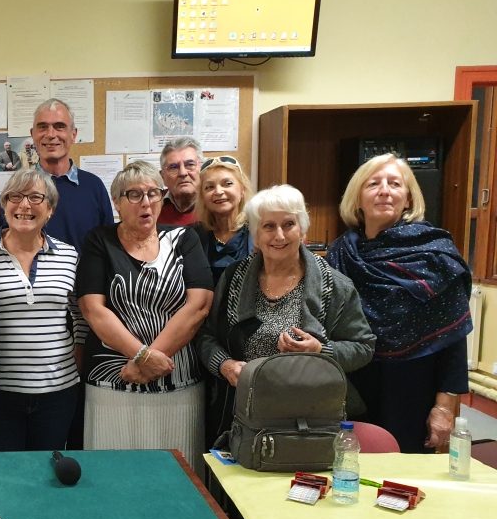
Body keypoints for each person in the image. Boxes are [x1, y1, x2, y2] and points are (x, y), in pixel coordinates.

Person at [75, 160, 213, 519]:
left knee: (177, 487)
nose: (146, 202)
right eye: (133, 194)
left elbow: (199, 304)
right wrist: (138, 356)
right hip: (113, 386)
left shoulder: (185, 238)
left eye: (153, 193)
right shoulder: (99, 240)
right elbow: (93, 309)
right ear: (117, 202)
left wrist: (154, 356)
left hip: (179, 384)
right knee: (115, 486)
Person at [197, 184, 376, 448]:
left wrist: (321, 351)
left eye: (288, 224)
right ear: (255, 235)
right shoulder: (233, 278)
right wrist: (225, 365)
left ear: (302, 229)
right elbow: (206, 337)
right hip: (241, 416)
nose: (279, 235)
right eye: (268, 226)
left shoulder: (335, 285)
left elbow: (363, 346)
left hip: (310, 420)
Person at [327, 154, 472, 453]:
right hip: (351, 386)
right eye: (373, 184)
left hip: (414, 389)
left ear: (408, 199)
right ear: (358, 198)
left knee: (403, 485)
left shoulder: (435, 253)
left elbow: (453, 337)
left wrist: (444, 407)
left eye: (395, 184)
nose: (384, 190)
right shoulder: (340, 254)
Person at [0, 168, 81, 451]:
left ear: (50, 210)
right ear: (4, 205)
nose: (24, 205)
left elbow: (81, 316)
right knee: (5, 476)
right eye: (15, 196)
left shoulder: (69, 255)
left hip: (58, 392)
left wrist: (74, 364)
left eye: (35, 197)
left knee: (47, 472)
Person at [0, 98, 113, 253]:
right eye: (43, 127)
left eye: (59, 127)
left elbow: (108, 247)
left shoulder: (93, 186)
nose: (51, 134)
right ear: (33, 135)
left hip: (84, 278)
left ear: (73, 134)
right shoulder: (17, 187)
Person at [194, 155, 253, 284]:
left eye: (227, 184)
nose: (218, 191)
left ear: (242, 189)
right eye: (209, 187)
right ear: (202, 196)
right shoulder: (192, 236)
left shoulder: (259, 231)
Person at [157, 136, 203, 227]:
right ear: (163, 177)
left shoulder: (215, 203)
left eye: (190, 164)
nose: (183, 173)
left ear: (203, 170)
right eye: (173, 167)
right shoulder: (153, 205)